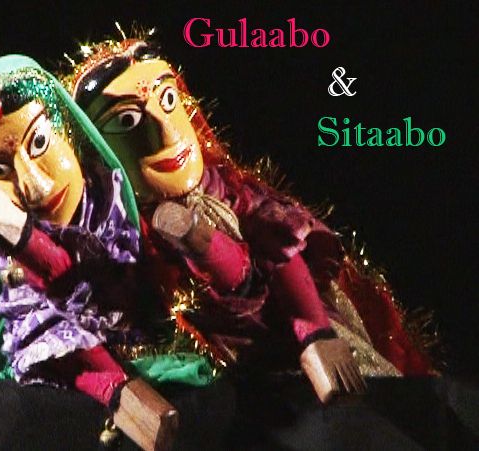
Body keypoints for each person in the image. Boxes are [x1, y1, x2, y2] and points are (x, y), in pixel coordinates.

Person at [64, 37, 432, 402]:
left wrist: (315, 333)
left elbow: (282, 253)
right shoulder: (117, 245)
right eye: (127, 120)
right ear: (96, 153)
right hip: (231, 387)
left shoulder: (233, 194)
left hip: (293, 340)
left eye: (169, 100)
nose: (166, 132)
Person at [0, 55, 178, 450]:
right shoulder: (12, 277)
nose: (36, 187)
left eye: (39, 142)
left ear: (67, 130)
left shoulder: (117, 213)